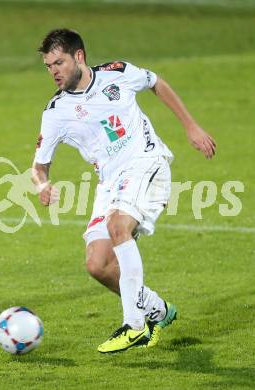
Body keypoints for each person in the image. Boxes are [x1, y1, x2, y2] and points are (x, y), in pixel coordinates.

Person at [31, 28, 216, 353]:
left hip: (147, 163)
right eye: (48, 66)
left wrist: (191, 125)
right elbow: (39, 165)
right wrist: (43, 185)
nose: (53, 71)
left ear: (79, 56)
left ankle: (134, 325)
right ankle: (157, 310)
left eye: (58, 62)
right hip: (110, 183)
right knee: (98, 265)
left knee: (118, 226)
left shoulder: (118, 73)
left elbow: (156, 82)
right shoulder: (55, 112)